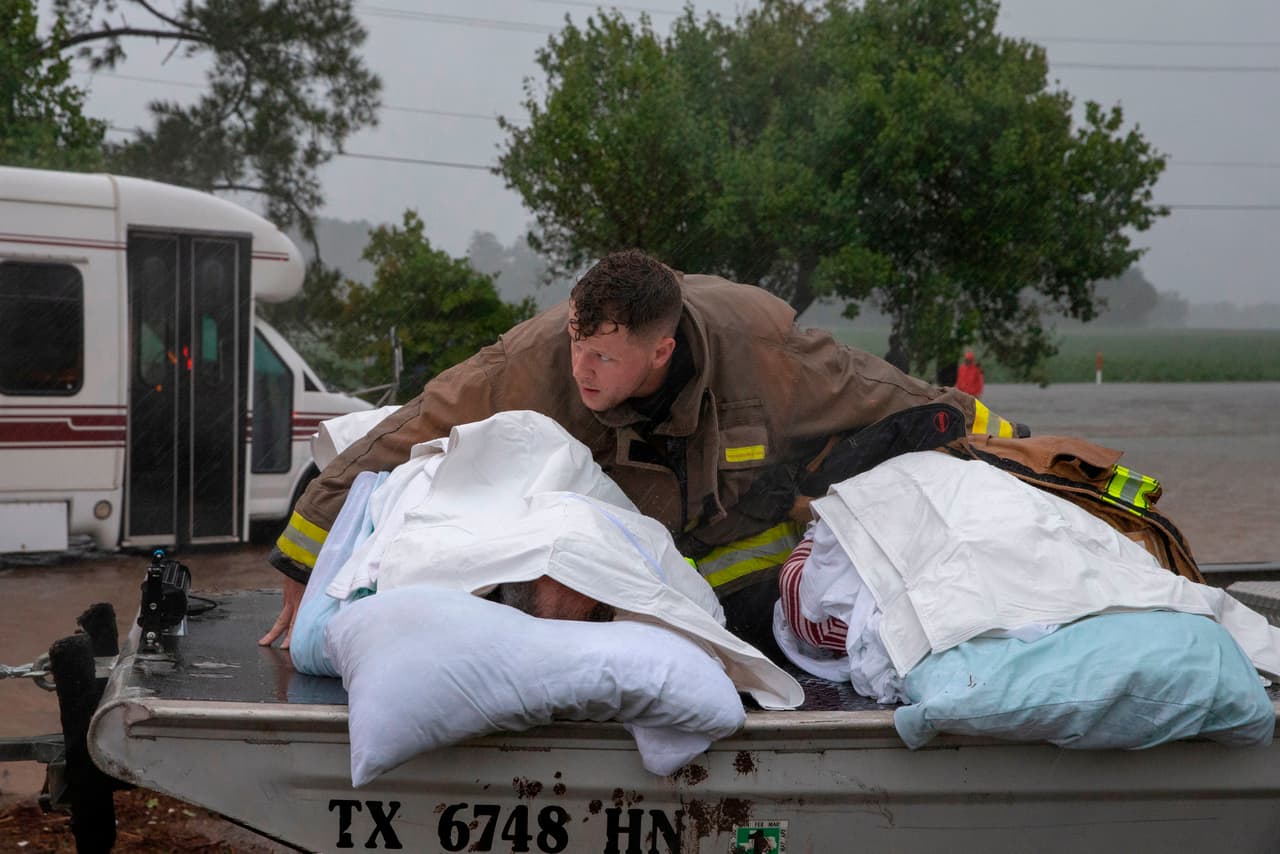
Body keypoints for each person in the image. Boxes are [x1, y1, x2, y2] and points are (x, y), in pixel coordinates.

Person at [260, 250, 1024, 655]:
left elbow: (893, 395)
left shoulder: (763, 352)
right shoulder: (538, 361)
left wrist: (1013, 448)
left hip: (735, 563)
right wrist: (302, 558)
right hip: (608, 566)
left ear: (662, 351)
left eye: (605, 358)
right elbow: (403, 431)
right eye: (577, 346)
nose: (583, 372)